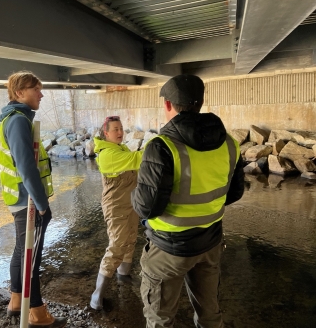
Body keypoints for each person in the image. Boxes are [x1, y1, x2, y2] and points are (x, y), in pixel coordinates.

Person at [132, 74, 245, 328]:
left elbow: (146, 207)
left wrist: (133, 195)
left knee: (160, 318)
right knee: (210, 316)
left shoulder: (161, 146)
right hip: (211, 243)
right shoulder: (229, 143)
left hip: (169, 249)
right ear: (200, 103)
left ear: (168, 105)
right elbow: (235, 193)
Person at [0, 71, 67, 328]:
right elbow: (26, 166)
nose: (41, 93)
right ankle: (36, 312)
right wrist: (41, 204)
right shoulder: (17, 121)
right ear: (19, 93)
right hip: (28, 202)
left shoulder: (15, 119)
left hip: (19, 198)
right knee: (31, 257)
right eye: (35, 89)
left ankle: (17, 301)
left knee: (21, 250)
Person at [90, 116, 144, 311]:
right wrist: (158, 148)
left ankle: (124, 275)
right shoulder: (107, 154)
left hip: (130, 202)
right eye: (115, 129)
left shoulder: (121, 148)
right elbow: (136, 160)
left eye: (121, 128)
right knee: (117, 246)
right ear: (106, 133)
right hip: (116, 206)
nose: (120, 132)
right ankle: (97, 296)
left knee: (130, 240)